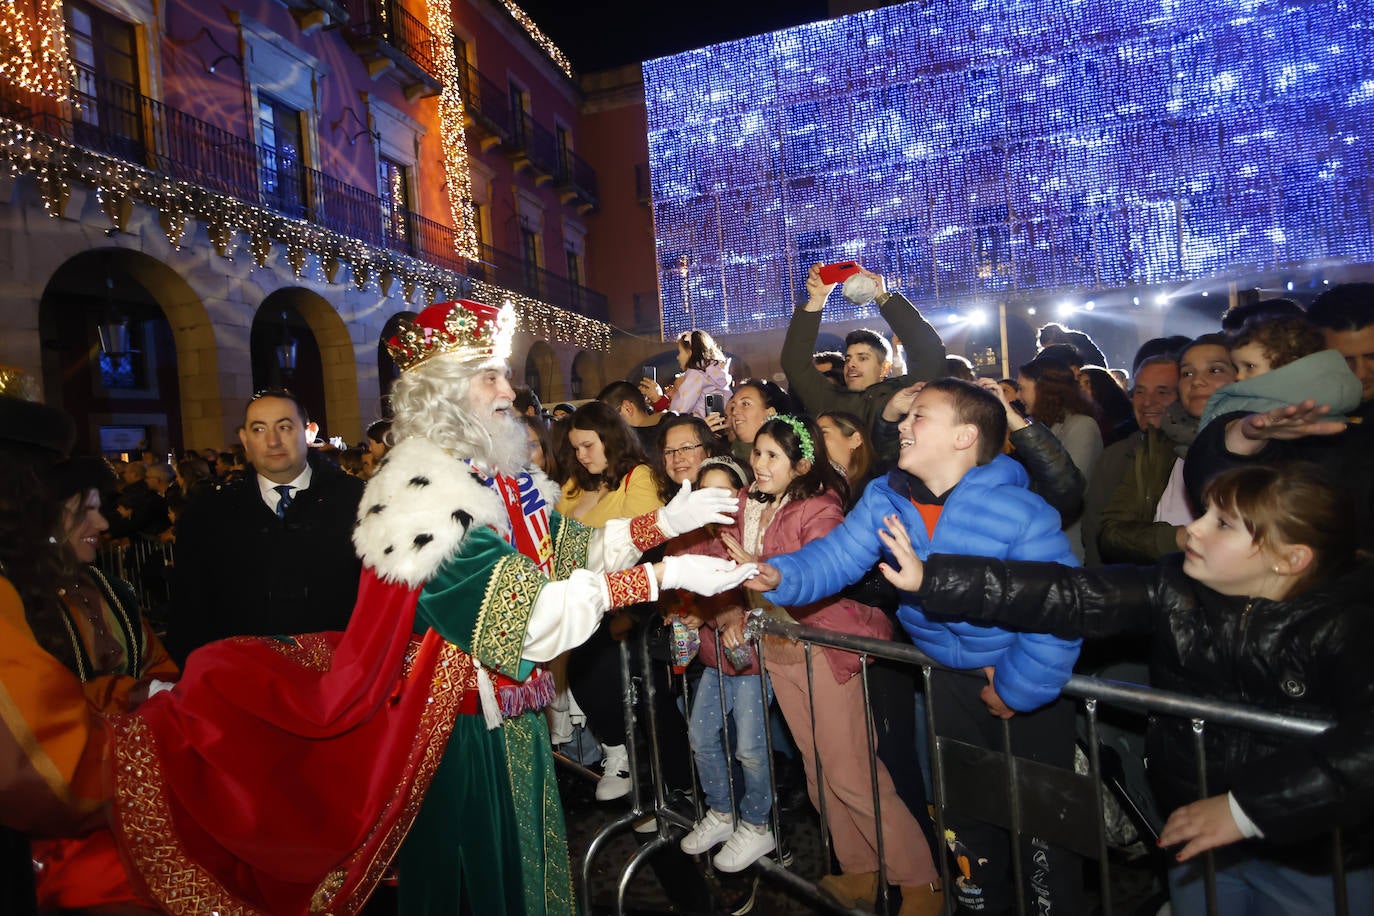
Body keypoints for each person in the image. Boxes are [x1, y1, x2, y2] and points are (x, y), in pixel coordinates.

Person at [102, 299, 755, 915]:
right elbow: (523, 619)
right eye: (490, 377)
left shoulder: (497, 475)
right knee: (477, 885)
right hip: (460, 739)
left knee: (534, 878)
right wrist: (659, 576)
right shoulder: (422, 496)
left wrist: (662, 523)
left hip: (512, 721)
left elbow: (562, 549)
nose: (509, 392)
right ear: (443, 391)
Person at [877, 463, 1374, 916]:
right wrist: (932, 578)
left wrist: (1246, 811)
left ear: (1290, 559)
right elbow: (1070, 594)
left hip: (1318, 855)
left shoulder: (1350, 624)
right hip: (1195, 832)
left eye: (1221, 524)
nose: (1193, 529)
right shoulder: (1176, 586)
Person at [745, 380, 1083, 915]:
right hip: (947, 680)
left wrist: (1018, 685)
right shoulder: (887, 496)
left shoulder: (1020, 510)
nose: (902, 425)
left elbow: (1062, 608)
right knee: (968, 823)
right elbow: (833, 558)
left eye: (920, 416)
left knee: (1042, 834)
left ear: (964, 436)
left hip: (1023, 681)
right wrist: (777, 575)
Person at [719, 415, 944, 915]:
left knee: (851, 772)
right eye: (756, 453)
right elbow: (732, 571)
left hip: (825, 644)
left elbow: (825, 562)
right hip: (780, 647)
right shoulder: (747, 506)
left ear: (801, 464)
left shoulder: (818, 506)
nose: (759, 464)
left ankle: (921, 881)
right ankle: (861, 869)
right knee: (818, 772)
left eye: (772, 455)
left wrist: (767, 570)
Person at [0, 395, 179, 913]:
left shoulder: (108, 589)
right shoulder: (14, 595)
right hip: (59, 843)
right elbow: (40, 758)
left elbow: (158, 669)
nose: (103, 526)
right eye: (90, 510)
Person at [166, 388, 365, 665]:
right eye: (259, 429)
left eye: (284, 426)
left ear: (309, 433)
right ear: (244, 440)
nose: (272, 441)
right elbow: (189, 610)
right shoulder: (207, 514)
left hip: (344, 676)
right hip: (242, 679)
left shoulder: (362, 503)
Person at [556, 400, 667, 801]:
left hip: (629, 602)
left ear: (610, 439)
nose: (581, 456)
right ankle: (612, 750)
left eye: (588, 446)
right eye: (576, 448)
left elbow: (639, 536)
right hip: (580, 602)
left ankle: (625, 759)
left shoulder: (639, 477)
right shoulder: (574, 483)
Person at [781, 263, 946, 462]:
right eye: (848, 358)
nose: (851, 364)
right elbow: (795, 363)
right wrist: (816, 299)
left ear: (885, 367)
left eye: (863, 358)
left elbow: (929, 352)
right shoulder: (829, 401)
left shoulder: (906, 394)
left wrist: (882, 297)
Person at [1098, 336, 1235, 564]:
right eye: (1188, 373)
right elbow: (1111, 533)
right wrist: (1181, 537)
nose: (1197, 381)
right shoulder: (1158, 446)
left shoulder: (1263, 445)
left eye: (1215, 370)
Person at [1082, 354, 1179, 565]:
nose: (1147, 402)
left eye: (1162, 392)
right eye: (1140, 392)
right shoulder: (1115, 456)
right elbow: (1095, 535)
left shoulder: (1194, 457)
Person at [655, 329, 733, 419]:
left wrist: (670, 419)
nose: (678, 357)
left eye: (680, 352)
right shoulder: (714, 373)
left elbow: (681, 408)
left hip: (701, 426)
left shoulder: (696, 374)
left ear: (690, 353)